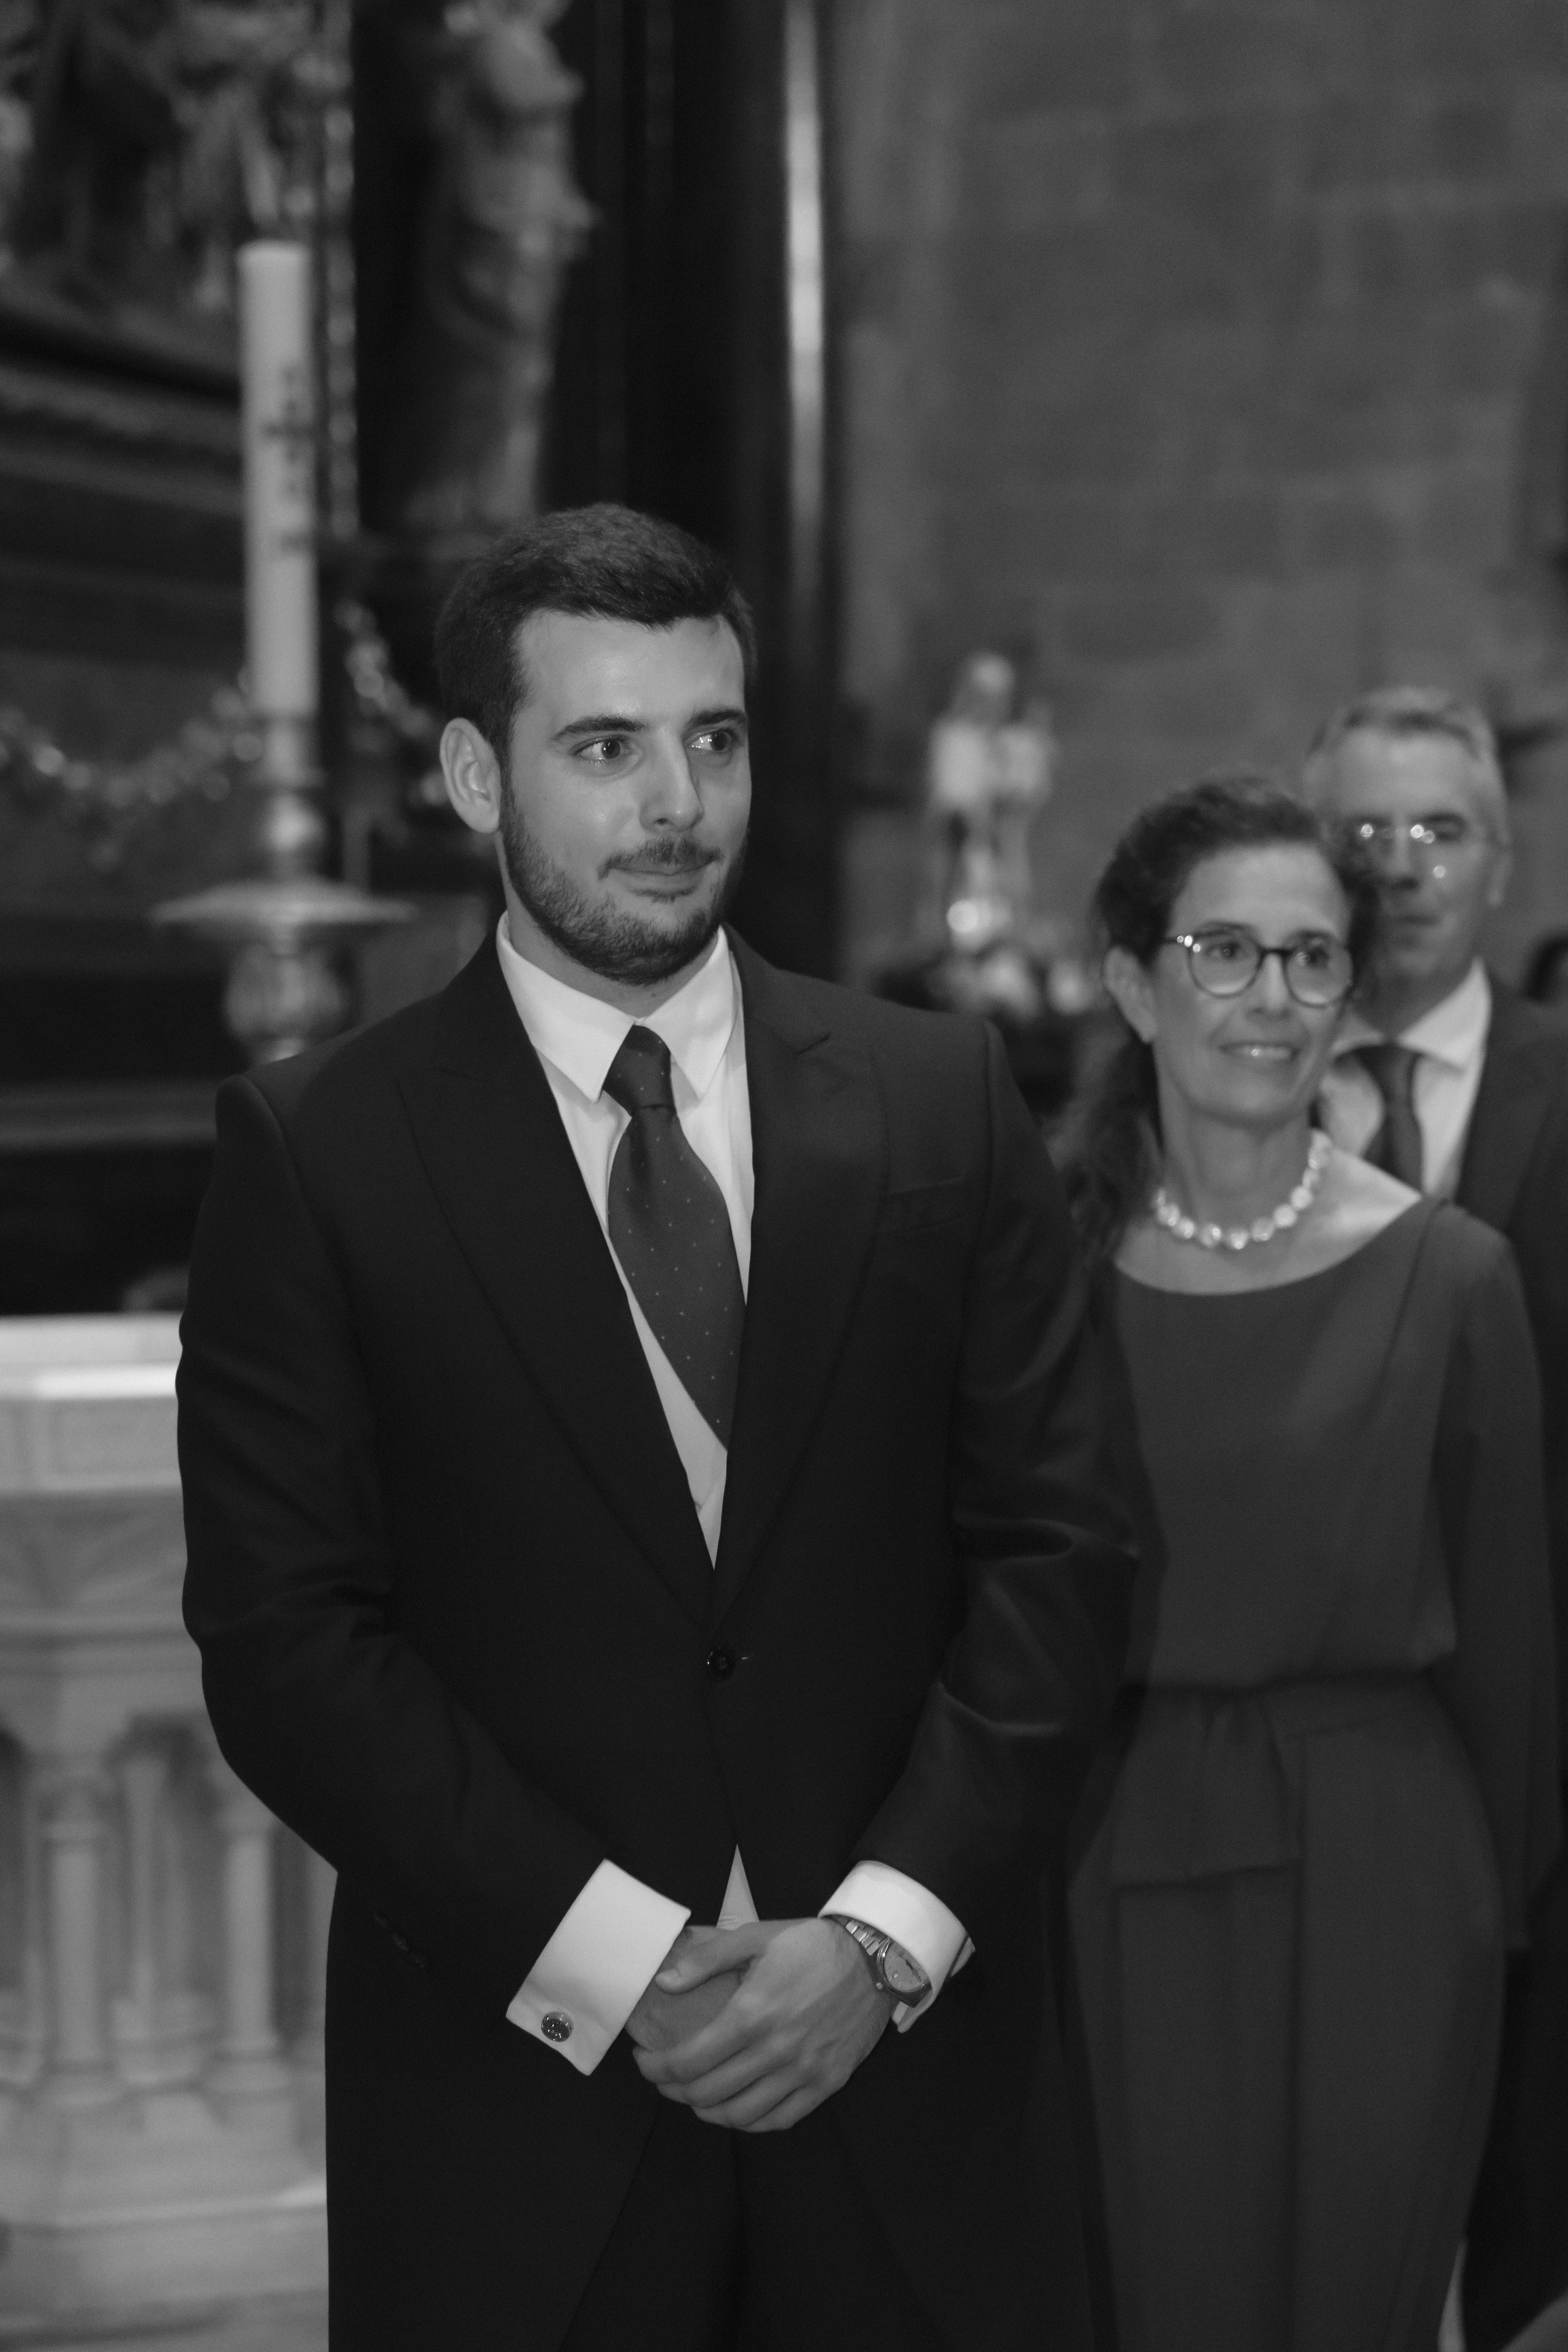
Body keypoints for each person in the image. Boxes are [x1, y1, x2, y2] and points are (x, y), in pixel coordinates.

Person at [176, 503, 1135, 2351]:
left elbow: (1065, 1549)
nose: (677, 801)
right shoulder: (321, 1154)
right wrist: (625, 1959)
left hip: (912, 2087)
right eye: (604, 747)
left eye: (715, 736)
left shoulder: (942, 1100)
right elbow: (287, 1644)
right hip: (518, 2110)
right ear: (475, 771)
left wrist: (875, 1940)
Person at [1064, 775, 1559, 2352]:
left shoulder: (1449, 1274)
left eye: (1310, 956)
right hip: (1100, 1868)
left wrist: (1491, 1934)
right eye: (1222, 952)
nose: (1268, 999)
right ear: (1133, 983)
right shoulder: (1028, 1275)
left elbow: (1511, 1673)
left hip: (1385, 1888)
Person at [1304, 688, 1568, 2352]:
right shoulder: (1212, 1079)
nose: (1400, 868)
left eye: (1440, 831)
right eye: (1365, 831)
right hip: (1319, 1731)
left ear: (1505, 860)